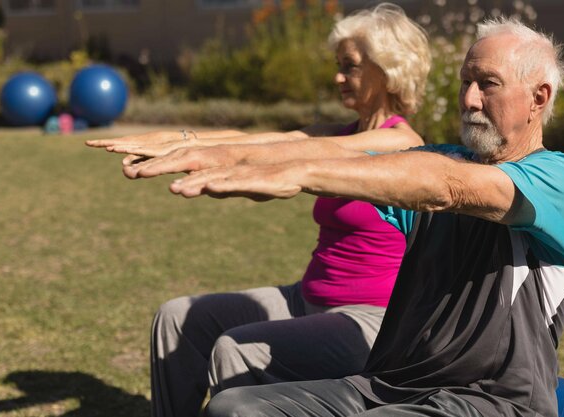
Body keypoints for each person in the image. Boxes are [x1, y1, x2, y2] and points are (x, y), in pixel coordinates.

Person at [120, 16, 564, 417]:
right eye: (465, 83)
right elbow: (337, 159)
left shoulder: (560, 180)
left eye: (487, 84)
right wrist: (216, 155)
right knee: (234, 409)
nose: (469, 99)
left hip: (487, 400)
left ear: (538, 98)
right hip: (389, 386)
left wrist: (298, 172)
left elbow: (449, 186)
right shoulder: (440, 158)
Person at [87, 4, 431, 417]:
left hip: (371, 321)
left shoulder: (401, 144)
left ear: (388, 69)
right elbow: (267, 138)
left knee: (236, 349)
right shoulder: (346, 132)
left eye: (350, 66)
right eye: (338, 65)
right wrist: (182, 140)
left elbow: (298, 151)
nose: (338, 76)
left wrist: (205, 154)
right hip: (309, 298)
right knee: (177, 318)